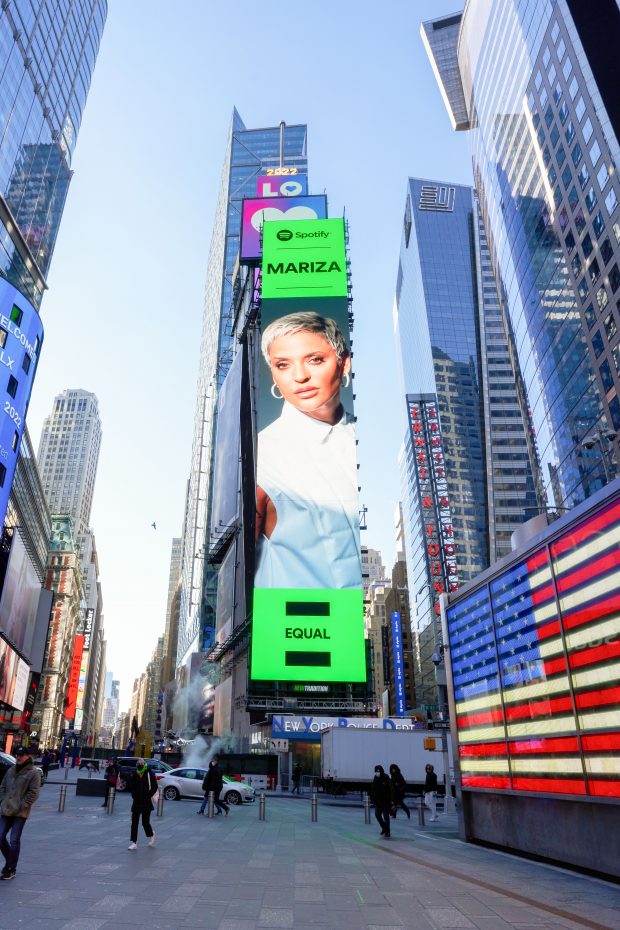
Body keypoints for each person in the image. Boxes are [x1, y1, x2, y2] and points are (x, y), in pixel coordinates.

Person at [255, 311, 361, 590]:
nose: (300, 376)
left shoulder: (363, 437)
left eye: (315, 359)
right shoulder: (261, 454)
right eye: (283, 365)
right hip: (291, 623)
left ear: (344, 363)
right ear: (274, 376)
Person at [0, 745, 41, 880]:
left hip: (20, 812)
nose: (18, 757)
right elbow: (3, 786)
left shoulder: (33, 773)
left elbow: (34, 793)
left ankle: (11, 868)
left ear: (28, 756)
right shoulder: (11, 770)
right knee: (0, 837)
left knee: (14, 840)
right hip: (6, 809)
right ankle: (10, 861)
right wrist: (2, 800)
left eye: (21, 755)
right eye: (17, 754)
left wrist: (22, 805)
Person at [127, 759, 158, 850]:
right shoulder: (135, 773)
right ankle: (134, 842)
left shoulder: (149, 773)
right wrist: (133, 794)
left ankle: (151, 834)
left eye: (141, 764)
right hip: (136, 801)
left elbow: (155, 786)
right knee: (134, 822)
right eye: (138, 764)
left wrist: (149, 795)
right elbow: (132, 785)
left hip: (146, 801)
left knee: (145, 822)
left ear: (144, 764)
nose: (139, 766)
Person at [370, 764, 393, 838]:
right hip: (378, 801)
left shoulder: (386, 777)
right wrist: (372, 798)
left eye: (378, 771)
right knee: (377, 815)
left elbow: (391, 789)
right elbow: (373, 788)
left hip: (386, 801)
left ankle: (388, 831)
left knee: (386, 816)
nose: (377, 773)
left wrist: (391, 800)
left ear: (381, 771)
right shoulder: (376, 778)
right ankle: (384, 828)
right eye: (376, 771)